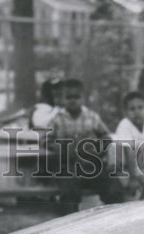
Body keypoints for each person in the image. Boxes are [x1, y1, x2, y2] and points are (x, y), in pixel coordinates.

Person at [48, 78, 126, 215]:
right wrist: (61, 148)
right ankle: (69, 224)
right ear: (62, 99)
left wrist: (96, 148)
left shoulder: (92, 117)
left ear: (83, 98)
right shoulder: (57, 119)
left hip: (92, 164)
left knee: (114, 187)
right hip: (69, 165)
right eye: (68, 97)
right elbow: (46, 140)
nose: (72, 101)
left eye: (76, 97)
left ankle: (117, 217)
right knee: (68, 193)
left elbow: (106, 137)